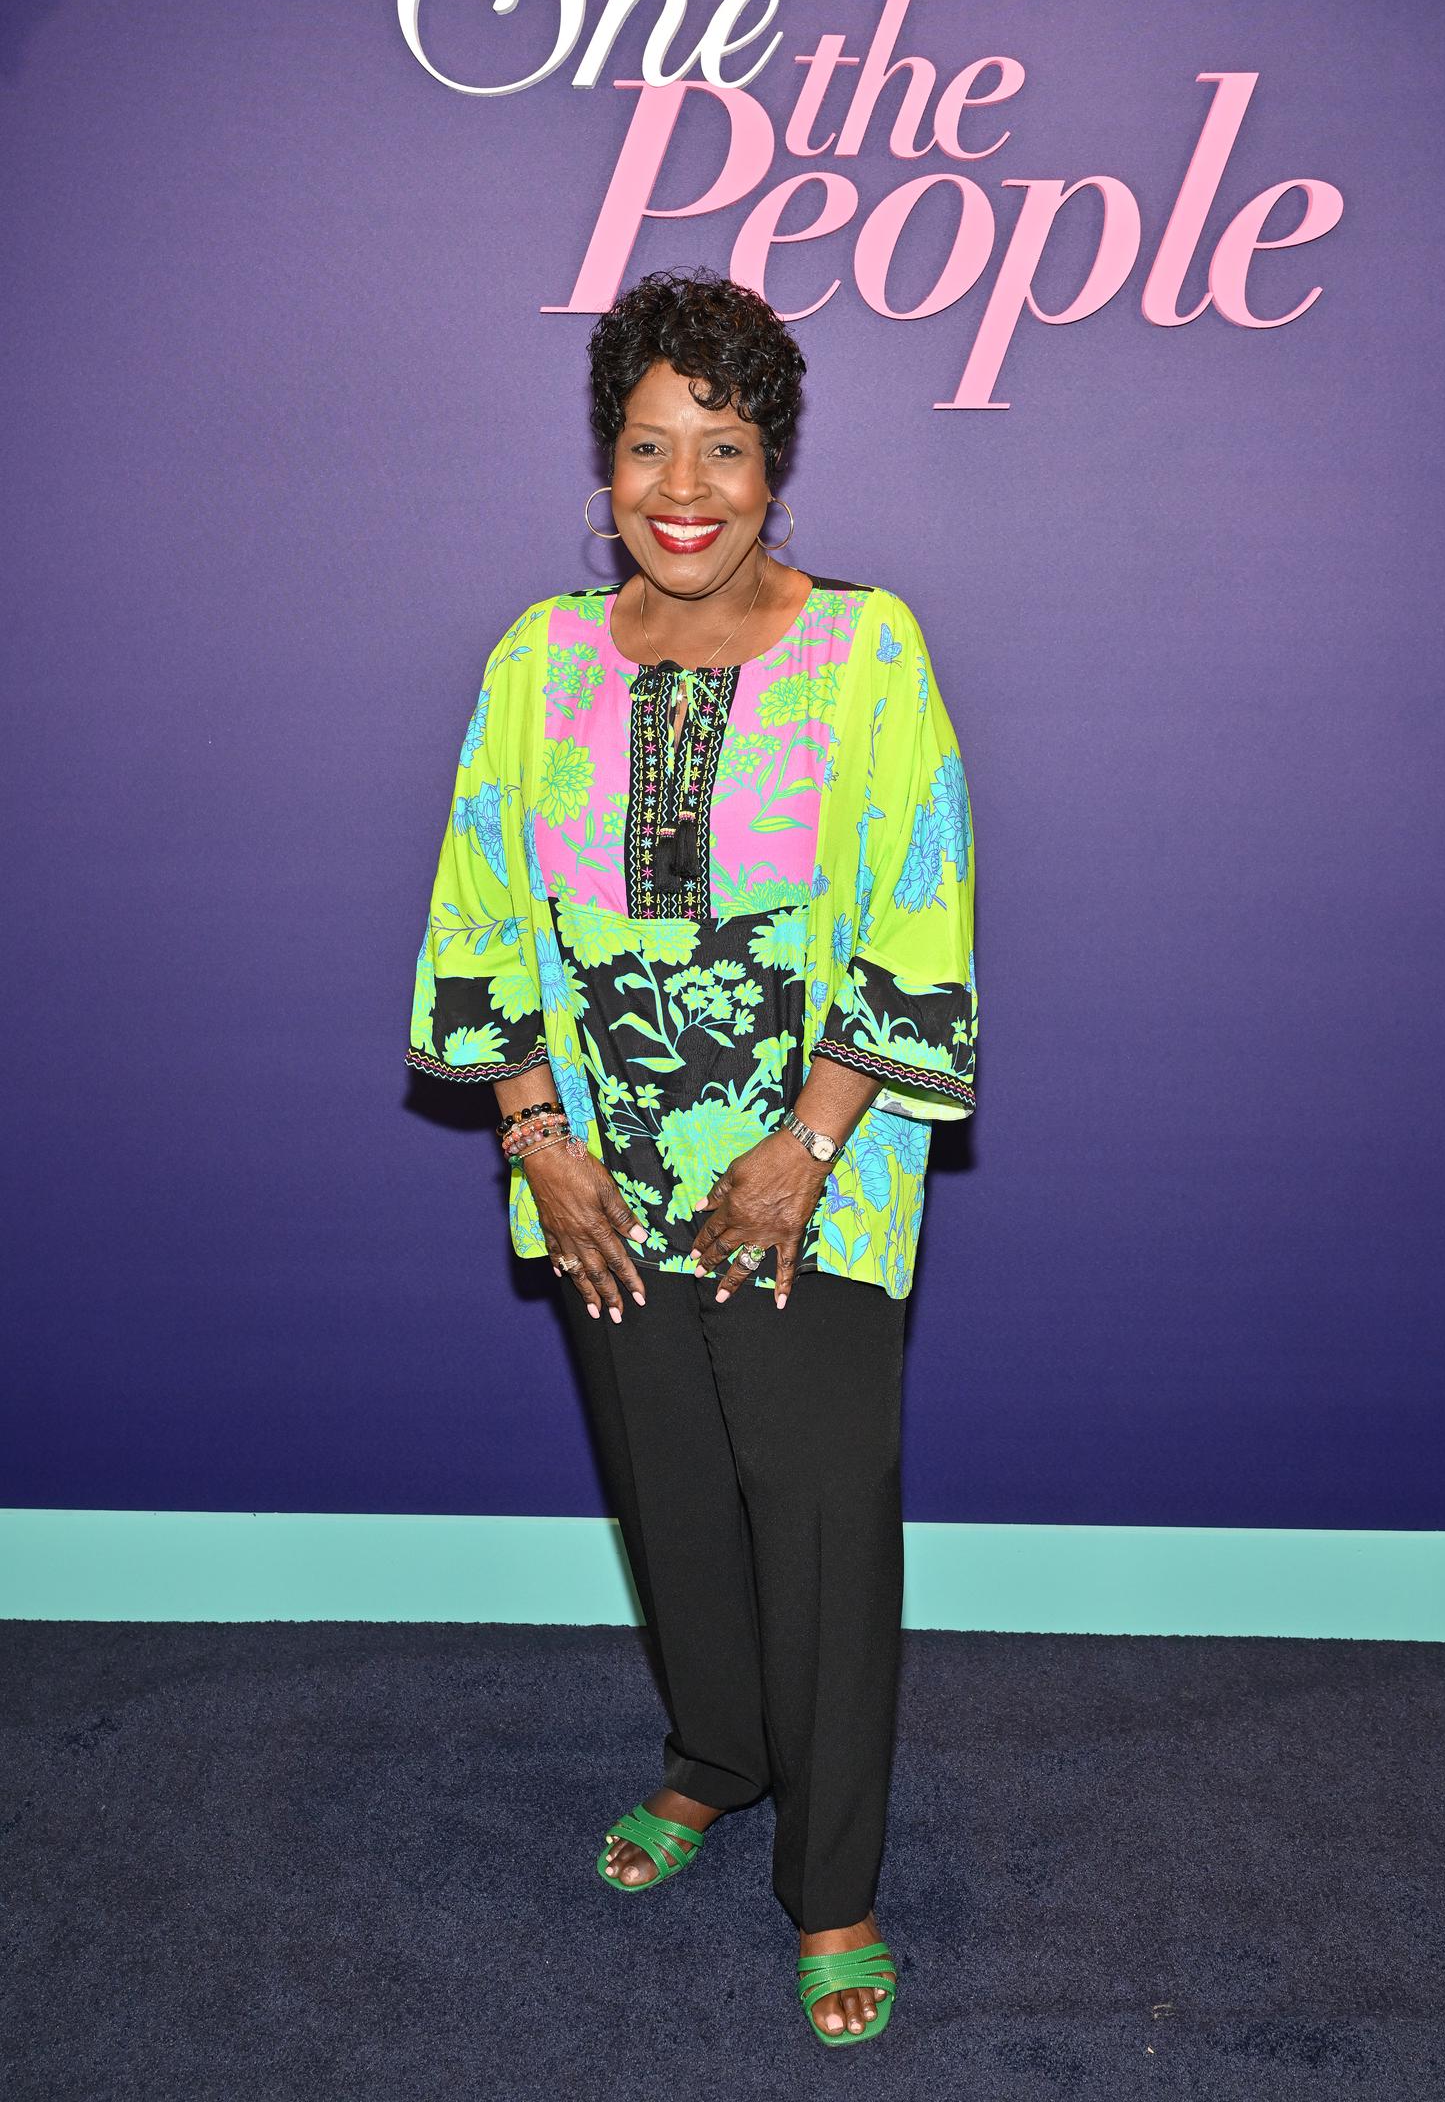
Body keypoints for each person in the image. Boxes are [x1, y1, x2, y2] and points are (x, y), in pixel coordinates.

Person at [407, 269, 977, 2047]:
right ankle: (712, 1757)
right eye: (649, 445)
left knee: (815, 1523)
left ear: (772, 462)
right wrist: (539, 1141)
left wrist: (803, 1147)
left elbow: (916, 911)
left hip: (815, 1167)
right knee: (671, 1495)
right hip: (600, 1172)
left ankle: (837, 1888)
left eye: (722, 447)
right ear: (607, 463)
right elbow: (483, 909)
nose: (685, 485)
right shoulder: (539, 656)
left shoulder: (868, 650)